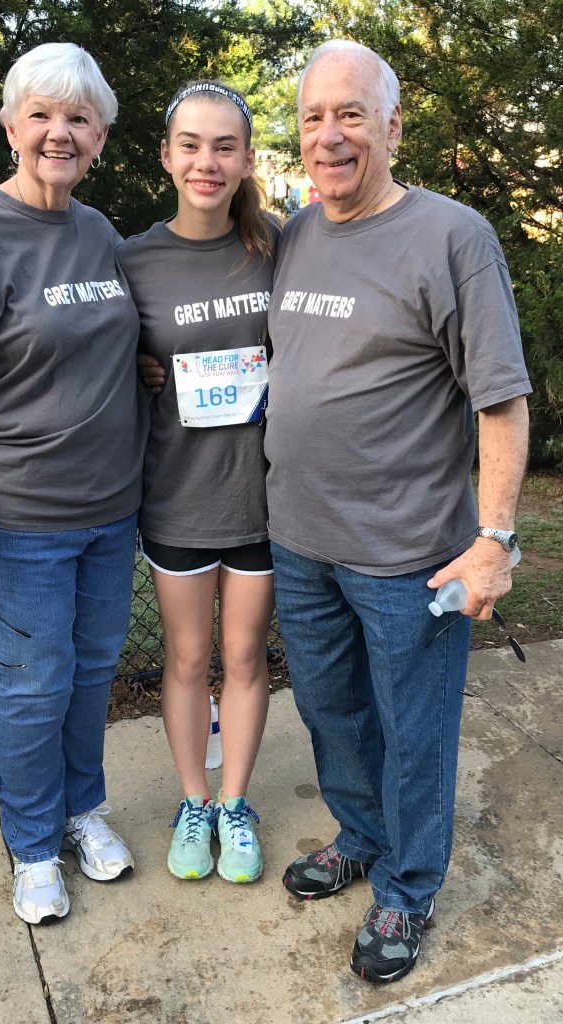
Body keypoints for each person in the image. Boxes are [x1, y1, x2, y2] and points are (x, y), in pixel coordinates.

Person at [264, 40, 531, 982]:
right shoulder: (296, 233)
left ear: (391, 124)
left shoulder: (453, 236)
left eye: (350, 115)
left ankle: (407, 889)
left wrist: (492, 539)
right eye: (312, 117)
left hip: (408, 556)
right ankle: (358, 835)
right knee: (334, 714)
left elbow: (499, 399)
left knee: (413, 732)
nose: (329, 136)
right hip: (298, 542)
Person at [0, 42, 148, 924]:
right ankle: (34, 848)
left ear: (101, 137)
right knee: (29, 686)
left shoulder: (98, 233)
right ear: (10, 126)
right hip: (16, 522)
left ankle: (84, 811)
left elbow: (116, 350)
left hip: (109, 514)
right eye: (41, 114)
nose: (60, 132)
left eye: (78, 117)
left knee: (89, 677)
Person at [118, 80, 278, 884]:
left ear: (247, 159)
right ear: (166, 155)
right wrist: (139, 371)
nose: (207, 161)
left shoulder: (280, 246)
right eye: (191, 144)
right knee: (186, 660)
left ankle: (235, 804)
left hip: (262, 499)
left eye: (224, 146)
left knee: (245, 659)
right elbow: (95, 358)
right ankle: (192, 800)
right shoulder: (133, 257)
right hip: (175, 497)